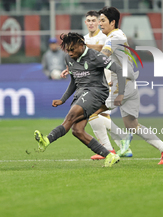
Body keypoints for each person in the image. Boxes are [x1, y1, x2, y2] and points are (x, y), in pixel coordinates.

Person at [96, 6, 163, 165]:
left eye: (103, 20)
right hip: (129, 84)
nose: (99, 24)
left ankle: (108, 150)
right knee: (132, 125)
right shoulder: (118, 35)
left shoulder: (114, 37)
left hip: (121, 86)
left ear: (112, 22)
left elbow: (103, 55)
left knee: (91, 113)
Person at [34, 32, 126, 167]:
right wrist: (63, 99)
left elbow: (118, 69)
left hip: (97, 91)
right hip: (82, 93)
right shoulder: (68, 58)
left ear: (81, 45)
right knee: (77, 131)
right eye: (67, 50)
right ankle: (110, 155)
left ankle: (47, 140)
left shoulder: (96, 56)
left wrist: (121, 93)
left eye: (72, 49)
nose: (70, 53)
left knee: (71, 116)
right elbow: (74, 81)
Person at [83, 10, 133, 160]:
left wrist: (81, 48)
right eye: (89, 20)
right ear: (85, 23)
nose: (93, 23)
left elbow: (102, 54)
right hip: (94, 81)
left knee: (95, 114)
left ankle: (108, 150)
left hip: (108, 80)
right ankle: (117, 147)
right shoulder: (86, 38)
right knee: (97, 115)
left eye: (95, 20)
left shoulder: (105, 35)